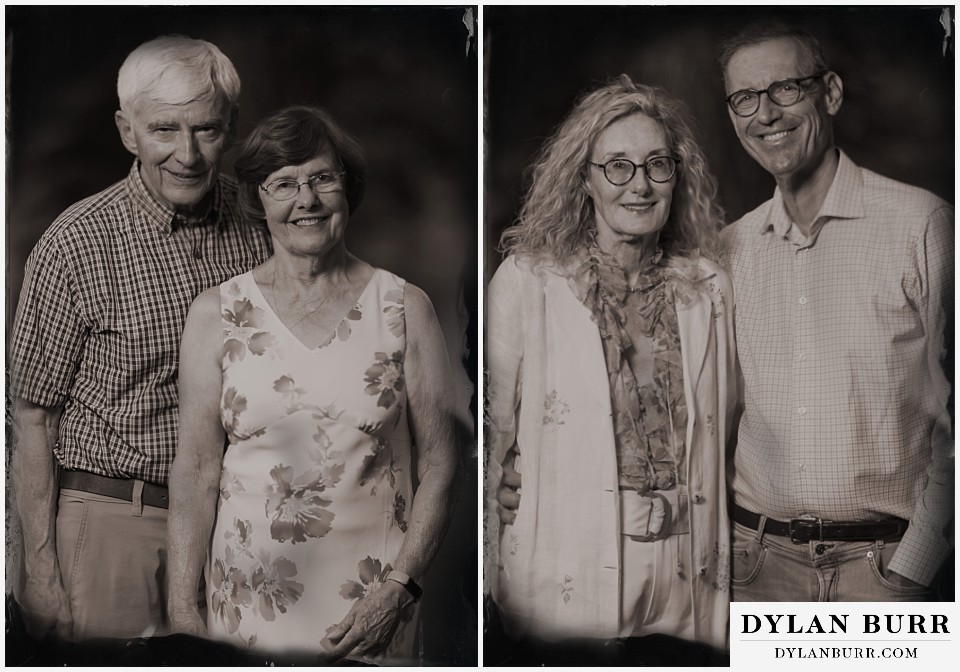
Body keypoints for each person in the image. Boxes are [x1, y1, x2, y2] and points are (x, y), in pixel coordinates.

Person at [165, 105, 459, 663]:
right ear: (257, 199)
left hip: (372, 611)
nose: (308, 200)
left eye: (323, 178)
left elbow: (441, 464)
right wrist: (184, 614)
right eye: (284, 184)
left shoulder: (404, 307)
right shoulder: (216, 314)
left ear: (347, 189)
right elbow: (196, 470)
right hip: (245, 612)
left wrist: (401, 588)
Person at [9, 35, 271, 643]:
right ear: (128, 132)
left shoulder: (261, 226)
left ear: (230, 126)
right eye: (164, 131)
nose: (188, 154)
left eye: (206, 129)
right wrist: (41, 572)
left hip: (233, 527)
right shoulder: (73, 245)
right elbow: (32, 418)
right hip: (114, 525)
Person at [485, 75, 735, 664]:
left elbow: (728, 425)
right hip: (562, 567)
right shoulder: (529, 283)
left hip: (688, 573)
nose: (641, 186)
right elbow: (491, 442)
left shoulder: (708, 288)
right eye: (618, 167)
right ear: (586, 181)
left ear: (679, 174)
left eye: (657, 165)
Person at [718, 23, 954, 601]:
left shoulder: (922, 225)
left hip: (885, 570)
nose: (766, 114)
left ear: (831, 94)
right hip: (754, 571)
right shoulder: (728, 249)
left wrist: (914, 565)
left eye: (786, 89)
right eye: (745, 98)